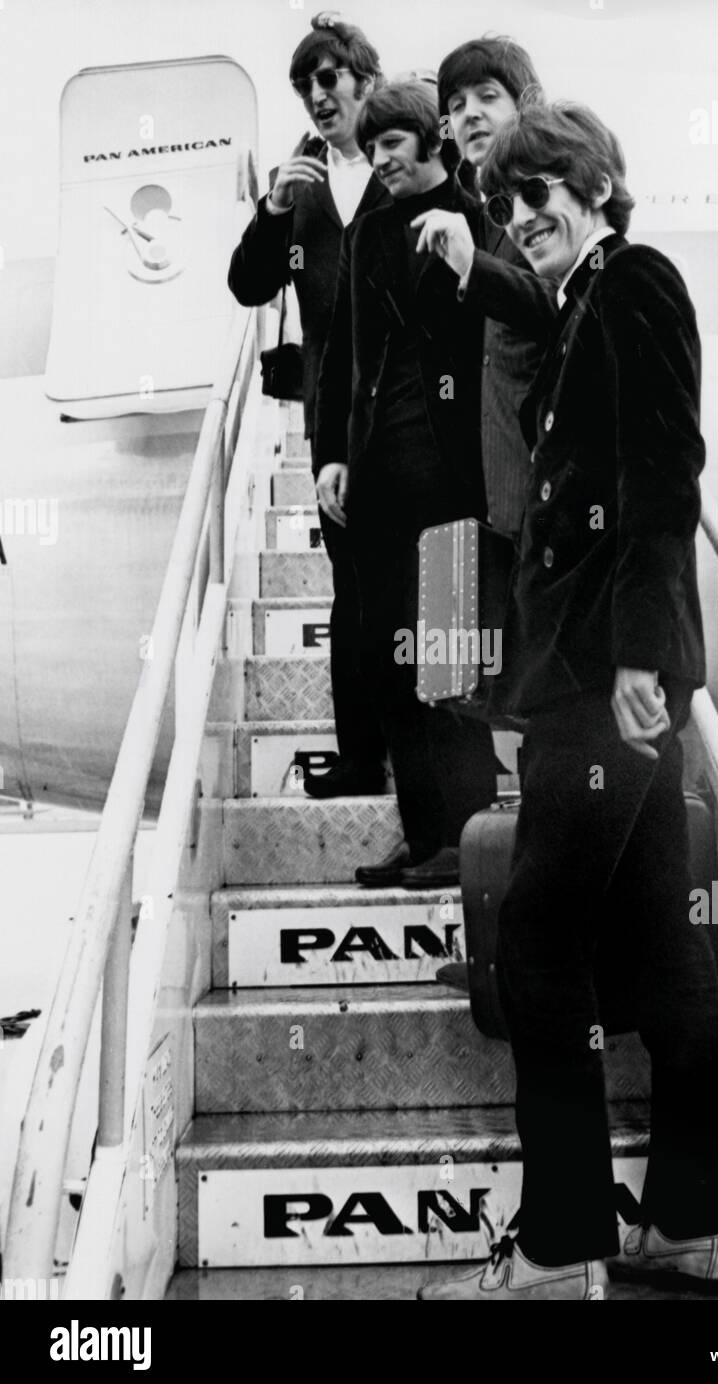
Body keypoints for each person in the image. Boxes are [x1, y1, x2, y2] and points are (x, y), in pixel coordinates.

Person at [416, 102, 718, 1300]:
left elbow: (664, 475)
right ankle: (694, 1224)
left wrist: (640, 659)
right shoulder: (583, 303)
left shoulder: (636, 283)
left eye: (541, 189)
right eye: (506, 201)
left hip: (612, 689)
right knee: (661, 941)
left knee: (540, 945)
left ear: (599, 182)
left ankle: (562, 1242)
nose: (522, 214)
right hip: (597, 681)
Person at [314, 80, 498, 890]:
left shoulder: (474, 219)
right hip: (378, 481)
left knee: (448, 666)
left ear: (431, 142)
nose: (379, 158)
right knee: (391, 665)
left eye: (392, 143)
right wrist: (331, 452)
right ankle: (423, 836)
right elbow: (341, 356)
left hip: (452, 482)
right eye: (373, 144)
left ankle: (468, 838)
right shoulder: (366, 234)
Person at [228, 12, 389, 799]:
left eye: (328, 79)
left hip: (416, 423)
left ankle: (441, 775)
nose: (317, 97)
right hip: (333, 431)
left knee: (434, 592)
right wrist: (268, 213)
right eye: (304, 86)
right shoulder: (302, 177)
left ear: (365, 77)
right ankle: (362, 757)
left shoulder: (409, 161)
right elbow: (248, 286)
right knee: (356, 598)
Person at [435, 36, 552, 540]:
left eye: (487, 96)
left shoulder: (549, 198)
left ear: (525, 103)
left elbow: (569, 307)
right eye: (457, 106)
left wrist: (473, 268)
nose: (469, 115)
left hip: (549, 494)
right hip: (499, 498)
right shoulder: (482, 215)